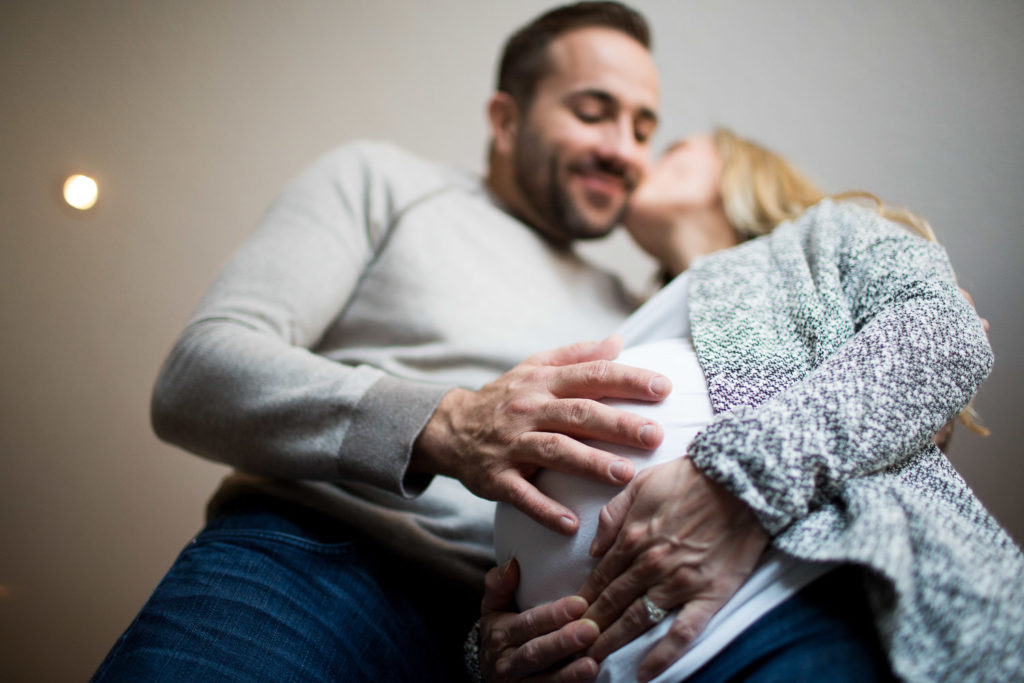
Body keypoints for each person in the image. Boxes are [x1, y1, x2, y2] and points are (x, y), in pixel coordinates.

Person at [92, 4, 675, 681]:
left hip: (502, 648)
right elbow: (196, 375)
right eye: (593, 113)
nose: (624, 150)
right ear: (505, 120)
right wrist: (448, 422)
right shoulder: (386, 181)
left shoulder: (638, 312)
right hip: (310, 572)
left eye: (644, 129)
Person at [476, 130, 1024, 682]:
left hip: (789, 613)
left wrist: (736, 481)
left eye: (671, 146)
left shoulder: (824, 236)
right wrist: (498, 651)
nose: (635, 160)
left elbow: (946, 336)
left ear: (743, 167)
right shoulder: (636, 320)